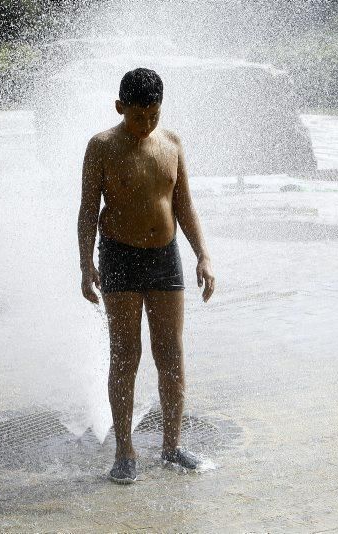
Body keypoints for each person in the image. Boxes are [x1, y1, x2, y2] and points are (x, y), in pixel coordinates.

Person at [78, 68, 216, 483]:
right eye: (138, 116)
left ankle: (173, 446)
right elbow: (87, 210)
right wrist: (87, 265)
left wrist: (203, 256)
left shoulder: (172, 143)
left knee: (170, 353)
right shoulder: (101, 146)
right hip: (119, 257)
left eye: (153, 115)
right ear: (120, 108)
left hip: (164, 257)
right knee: (125, 355)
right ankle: (124, 452)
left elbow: (185, 205)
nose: (146, 124)